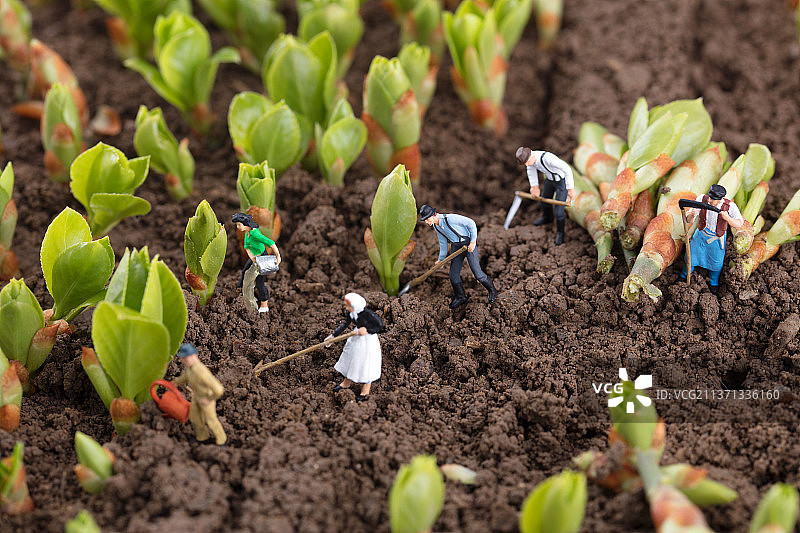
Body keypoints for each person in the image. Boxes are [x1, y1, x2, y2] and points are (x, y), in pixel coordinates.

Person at [418, 205, 497, 309]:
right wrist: (441, 260)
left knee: (478, 274)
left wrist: (473, 242)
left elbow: (471, 223)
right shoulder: (436, 226)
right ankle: (461, 297)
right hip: (456, 247)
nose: (426, 222)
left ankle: (492, 290)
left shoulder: (450, 219)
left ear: (434, 215)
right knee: (453, 275)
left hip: (468, 245)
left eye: (427, 219)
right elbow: (443, 243)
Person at [679, 184, 744, 294]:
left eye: (713, 200)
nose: (710, 201)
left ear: (720, 200)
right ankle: (684, 275)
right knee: (690, 256)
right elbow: (689, 220)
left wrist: (727, 218)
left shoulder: (730, 206)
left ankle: (714, 282)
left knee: (716, 263)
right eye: (709, 198)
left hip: (716, 240)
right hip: (700, 236)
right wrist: (692, 214)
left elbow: (739, 223)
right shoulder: (702, 199)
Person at [324, 293, 383, 402]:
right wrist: (333, 336)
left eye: (348, 306)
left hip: (367, 341)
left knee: (365, 363)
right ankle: (346, 383)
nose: (347, 308)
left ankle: (365, 391)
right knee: (351, 360)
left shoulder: (366, 314)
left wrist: (367, 330)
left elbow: (379, 325)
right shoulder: (351, 313)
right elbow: (344, 324)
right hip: (356, 339)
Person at [515, 147, 576, 245]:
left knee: (559, 212)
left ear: (531, 155)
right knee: (544, 200)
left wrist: (570, 188)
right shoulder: (531, 162)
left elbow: (567, 169)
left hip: (561, 183)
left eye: (526, 162)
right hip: (549, 181)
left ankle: (560, 232)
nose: (526, 165)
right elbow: (531, 171)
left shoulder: (548, 158)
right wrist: (534, 186)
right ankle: (547, 217)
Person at [174, 343, 227, 445]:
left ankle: (221, 440)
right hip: (196, 397)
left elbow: (218, 389)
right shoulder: (190, 368)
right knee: (195, 418)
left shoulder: (202, 372)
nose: (183, 361)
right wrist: (176, 381)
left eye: (185, 358)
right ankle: (202, 437)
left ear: (194, 356)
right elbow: (186, 376)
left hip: (206, 399)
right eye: (182, 359)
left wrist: (209, 398)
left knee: (211, 420)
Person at [232, 213, 281, 313]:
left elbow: (270, 243)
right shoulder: (247, 233)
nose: (238, 227)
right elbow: (247, 247)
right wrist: (252, 258)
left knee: (260, 282)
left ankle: (264, 305)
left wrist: (278, 255)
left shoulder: (255, 234)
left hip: (262, 257)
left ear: (246, 224)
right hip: (255, 257)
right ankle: (244, 293)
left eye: (239, 224)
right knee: (245, 272)